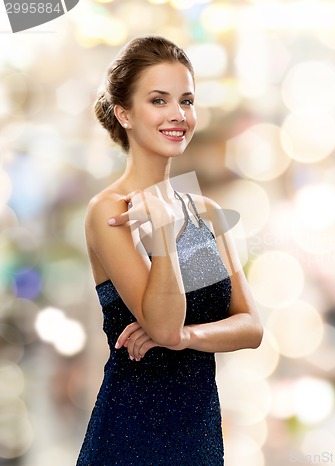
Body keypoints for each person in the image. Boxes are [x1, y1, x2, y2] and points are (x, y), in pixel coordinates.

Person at [77, 35, 263, 465]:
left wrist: (186, 338)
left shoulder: (204, 211)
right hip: (131, 435)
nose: (177, 115)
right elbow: (161, 323)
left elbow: (250, 327)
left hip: (197, 431)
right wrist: (164, 231)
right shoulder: (110, 210)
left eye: (186, 100)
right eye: (158, 101)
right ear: (124, 113)